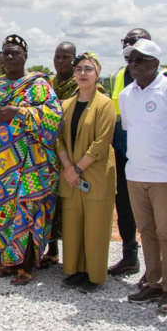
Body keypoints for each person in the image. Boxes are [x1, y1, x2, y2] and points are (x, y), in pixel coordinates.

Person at [0, 34, 62, 286]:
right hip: (0, 168)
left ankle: (26, 266)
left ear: (26, 57)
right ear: (0, 59)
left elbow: (55, 118)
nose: (10, 57)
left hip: (34, 165)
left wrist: (19, 112)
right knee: (4, 214)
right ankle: (7, 262)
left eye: (16, 53)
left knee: (30, 211)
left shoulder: (39, 85)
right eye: (6, 53)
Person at [120, 39, 167, 313]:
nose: (134, 65)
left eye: (140, 60)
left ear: (155, 63)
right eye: (130, 60)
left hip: (166, 174)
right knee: (147, 231)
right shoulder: (127, 94)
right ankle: (153, 282)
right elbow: (130, 129)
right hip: (136, 173)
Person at [107, 28, 167, 279]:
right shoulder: (115, 77)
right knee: (125, 209)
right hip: (125, 155)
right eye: (126, 43)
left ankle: (155, 269)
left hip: (155, 159)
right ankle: (130, 257)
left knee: (155, 219)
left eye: (135, 42)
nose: (130, 47)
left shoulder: (166, 76)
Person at [56, 52, 116, 293]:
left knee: (95, 227)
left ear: (97, 73)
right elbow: (57, 138)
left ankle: (94, 275)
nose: (82, 73)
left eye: (88, 69)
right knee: (72, 226)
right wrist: (69, 169)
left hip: (95, 175)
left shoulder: (105, 104)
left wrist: (78, 168)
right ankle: (75, 270)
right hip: (71, 176)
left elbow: (101, 142)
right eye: (79, 69)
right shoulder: (66, 104)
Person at [44, 41, 78, 267]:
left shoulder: (81, 84)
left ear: (74, 60)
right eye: (57, 56)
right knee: (50, 201)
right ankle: (52, 250)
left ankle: (74, 257)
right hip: (49, 150)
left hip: (73, 148)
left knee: (71, 205)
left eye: (66, 57)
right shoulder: (48, 84)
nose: (60, 61)